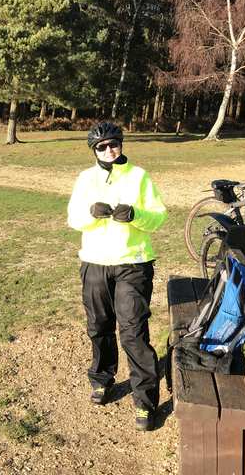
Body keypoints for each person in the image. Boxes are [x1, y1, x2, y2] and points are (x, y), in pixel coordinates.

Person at [67, 121, 167, 431]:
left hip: (133, 264)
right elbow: (73, 218)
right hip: (95, 263)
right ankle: (102, 379)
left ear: (121, 144)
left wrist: (136, 216)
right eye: (102, 147)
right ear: (93, 151)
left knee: (133, 332)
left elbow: (159, 216)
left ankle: (145, 401)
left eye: (114, 144)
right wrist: (91, 214)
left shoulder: (139, 176)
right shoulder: (85, 179)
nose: (110, 150)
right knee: (98, 326)